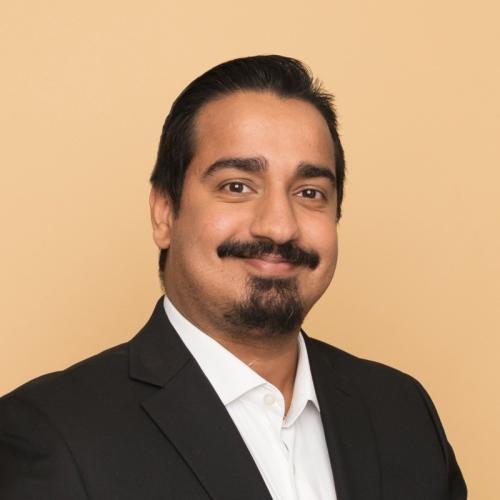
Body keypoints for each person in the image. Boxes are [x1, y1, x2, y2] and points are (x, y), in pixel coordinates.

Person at [0, 55, 466, 500]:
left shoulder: (402, 412)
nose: (279, 227)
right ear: (164, 213)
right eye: (237, 186)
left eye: (309, 192)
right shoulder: (48, 433)